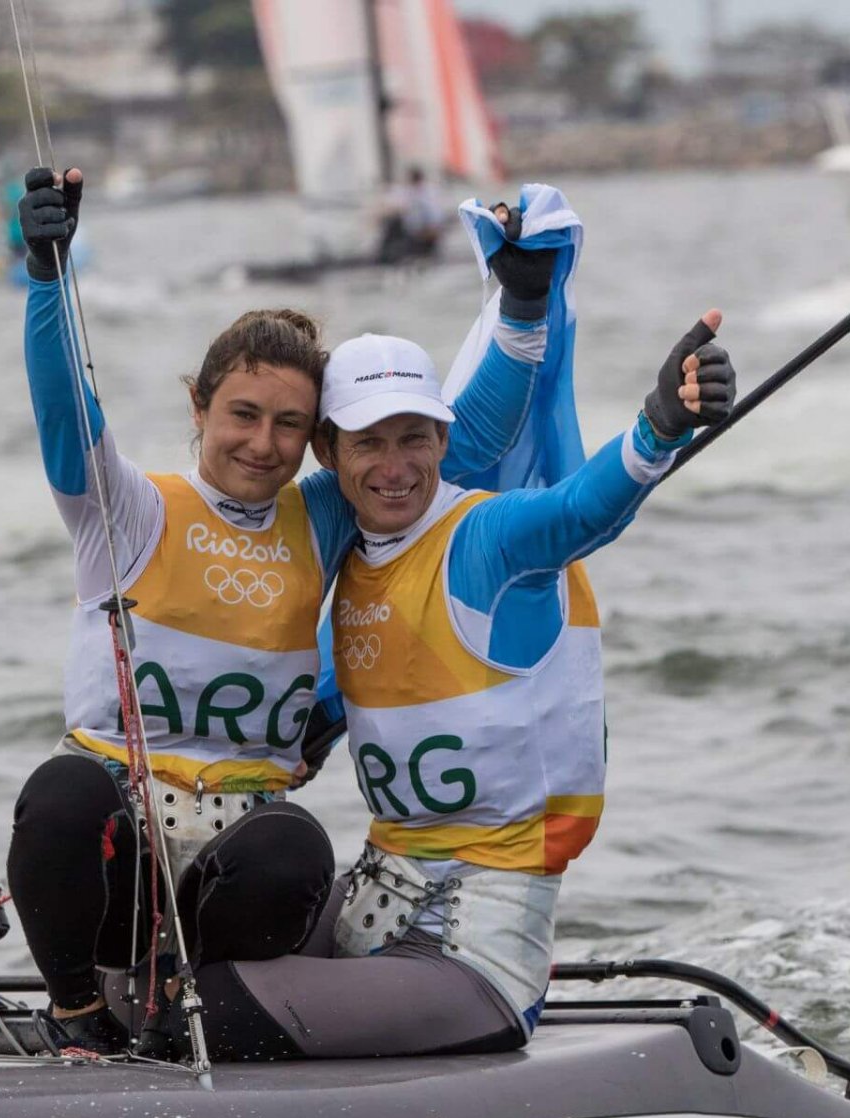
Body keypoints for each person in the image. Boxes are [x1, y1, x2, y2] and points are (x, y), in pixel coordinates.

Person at [5, 167, 563, 1053]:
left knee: (296, 847)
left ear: (317, 440)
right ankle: (76, 1011)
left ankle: (188, 1016)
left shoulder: (322, 514)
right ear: (199, 406)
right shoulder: (126, 509)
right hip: (128, 861)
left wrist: (524, 308)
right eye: (243, 414)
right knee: (62, 793)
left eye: (290, 425)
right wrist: (48, 276)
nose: (263, 445)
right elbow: (67, 415)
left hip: (236, 872)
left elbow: (454, 441)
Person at [195, 310, 736, 1059]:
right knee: (184, 948)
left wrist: (660, 426)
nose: (395, 465)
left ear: (443, 442)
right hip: (374, 906)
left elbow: (580, 510)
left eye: (415, 437)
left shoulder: (486, 540)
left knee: (207, 1008)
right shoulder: (355, 558)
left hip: (474, 960)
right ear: (327, 451)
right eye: (369, 442)